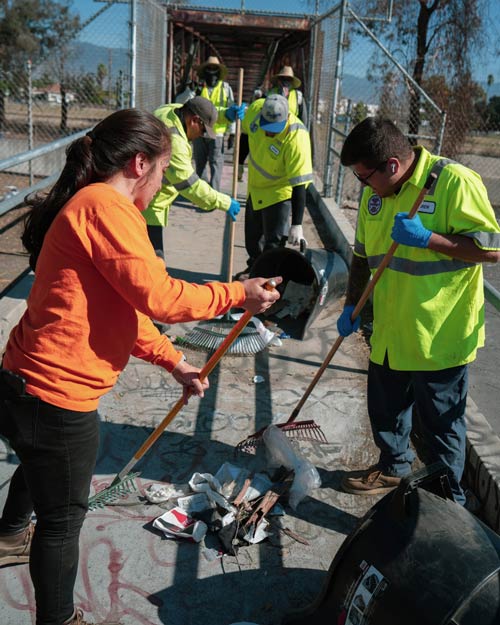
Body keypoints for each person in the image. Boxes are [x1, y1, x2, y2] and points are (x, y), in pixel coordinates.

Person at [0, 108, 281, 625]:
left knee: (41, 465)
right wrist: (237, 294)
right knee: (63, 521)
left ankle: (12, 531)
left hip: (25, 385)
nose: (161, 185)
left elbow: (125, 311)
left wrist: (175, 362)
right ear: (138, 164)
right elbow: (160, 297)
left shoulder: (94, 207)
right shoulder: (107, 207)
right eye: (163, 173)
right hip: (56, 396)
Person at [337, 116, 500, 505]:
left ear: (392, 165)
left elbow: (491, 249)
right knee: (386, 409)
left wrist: (429, 238)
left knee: (441, 425)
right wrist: (351, 306)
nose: (362, 185)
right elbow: (362, 255)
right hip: (391, 330)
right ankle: (394, 467)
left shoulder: (453, 182)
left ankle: (445, 505)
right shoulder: (374, 195)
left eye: (364, 177)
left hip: (438, 334)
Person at [143, 96, 242, 261]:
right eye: (203, 131)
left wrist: (225, 115)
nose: (202, 136)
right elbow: (193, 188)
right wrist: (225, 202)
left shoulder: (169, 110)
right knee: (154, 266)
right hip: (147, 208)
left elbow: (198, 109)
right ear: (194, 121)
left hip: (145, 199)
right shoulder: (174, 144)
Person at [236, 93, 313, 278]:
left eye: (274, 129)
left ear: (286, 118)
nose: (269, 132)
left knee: (273, 243)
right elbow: (246, 134)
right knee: (253, 241)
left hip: (280, 193)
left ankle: (269, 280)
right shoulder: (255, 110)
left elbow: (299, 185)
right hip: (255, 189)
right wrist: (239, 162)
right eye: (267, 126)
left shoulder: (296, 138)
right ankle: (254, 270)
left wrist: (297, 224)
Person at [192, 56, 243, 191]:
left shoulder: (226, 89)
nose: (212, 72)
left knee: (216, 163)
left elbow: (232, 110)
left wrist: (232, 133)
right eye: (209, 68)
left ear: (219, 72)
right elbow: (186, 105)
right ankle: (203, 192)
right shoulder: (198, 87)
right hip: (199, 131)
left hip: (217, 133)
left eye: (214, 69)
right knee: (200, 164)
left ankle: (214, 193)